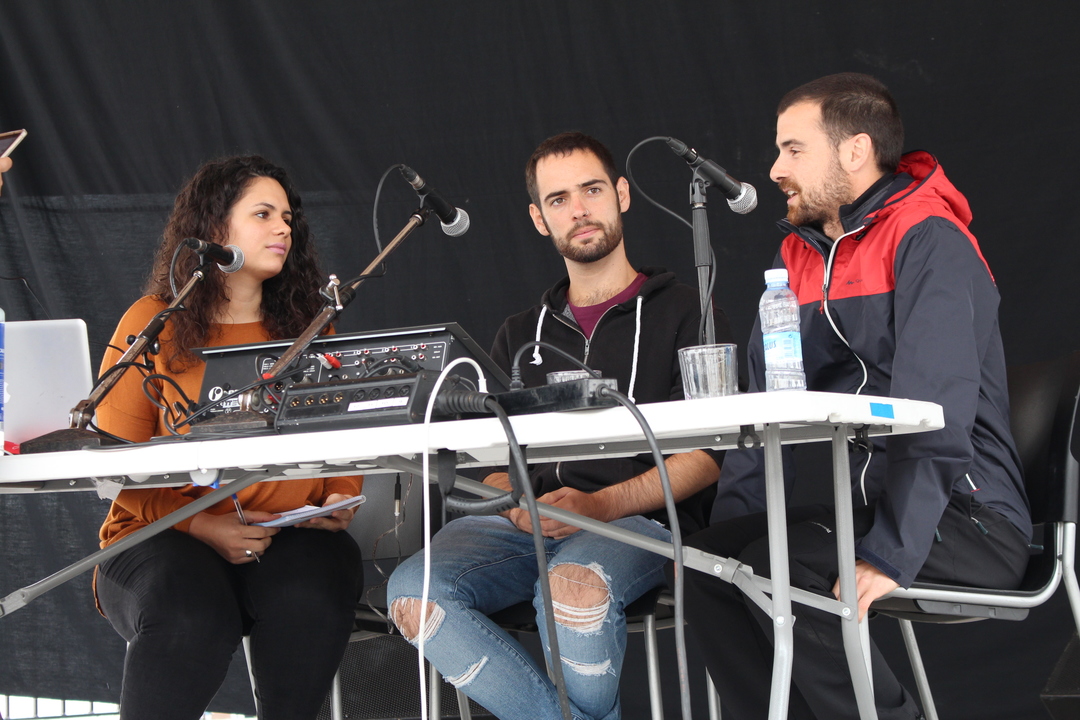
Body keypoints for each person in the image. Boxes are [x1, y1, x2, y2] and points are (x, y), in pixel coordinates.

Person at [681, 73, 1033, 719]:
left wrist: (893, 551)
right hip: (873, 512)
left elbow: (936, 413)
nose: (775, 169)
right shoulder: (799, 258)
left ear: (855, 150)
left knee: (781, 570)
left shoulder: (930, 239)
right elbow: (762, 416)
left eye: (794, 149)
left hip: (969, 520)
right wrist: (731, 528)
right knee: (707, 564)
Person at [387, 131, 731, 720]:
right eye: (558, 199)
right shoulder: (520, 332)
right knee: (413, 595)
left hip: (642, 523)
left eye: (592, 190)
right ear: (539, 218)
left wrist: (598, 507)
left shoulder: (686, 311)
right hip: (525, 526)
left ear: (622, 195)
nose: (579, 210)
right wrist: (513, 502)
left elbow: (705, 458)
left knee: (573, 587)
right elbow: (488, 463)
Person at [93, 156, 363, 720]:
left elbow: (341, 440)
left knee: (316, 585)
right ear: (214, 228)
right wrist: (202, 526)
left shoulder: (313, 325)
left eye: (287, 217)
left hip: (286, 537)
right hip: (162, 536)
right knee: (189, 615)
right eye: (263, 214)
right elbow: (111, 466)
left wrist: (341, 494)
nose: (283, 228)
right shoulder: (152, 321)